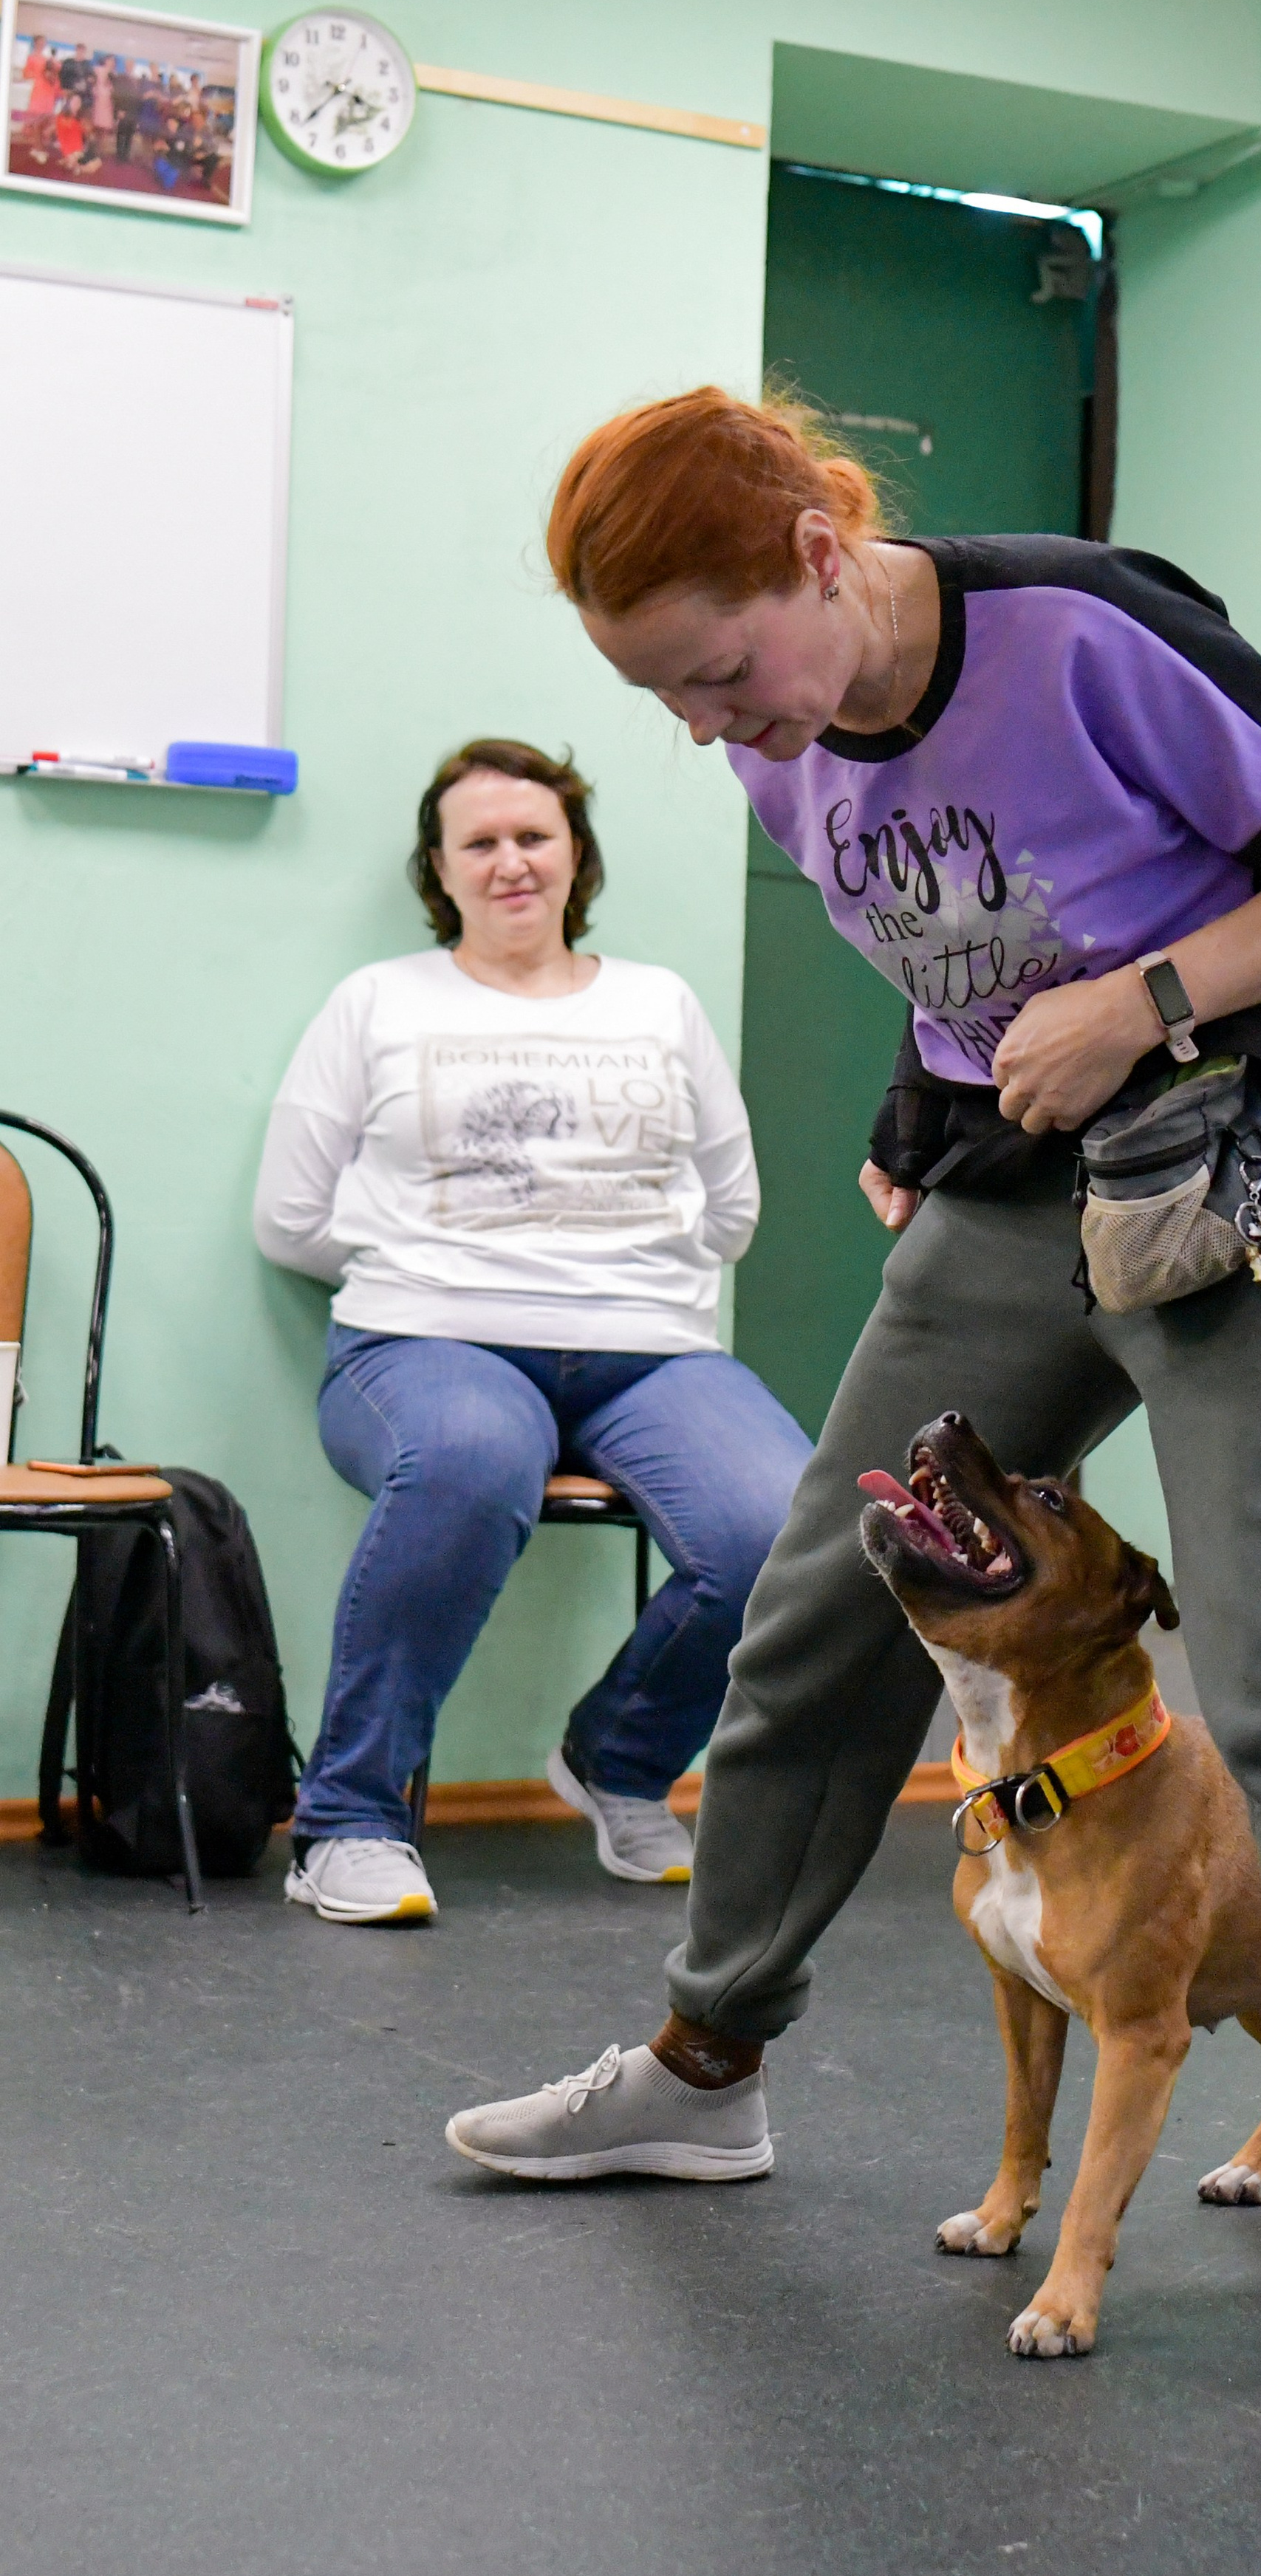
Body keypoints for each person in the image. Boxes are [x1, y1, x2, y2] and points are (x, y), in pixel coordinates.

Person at [444, 392, 1261, 2479]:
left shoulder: (1074, 633)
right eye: (664, 698)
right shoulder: (789, 745)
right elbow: (966, 958)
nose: (712, 730)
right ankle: (707, 2062)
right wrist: (925, 1112)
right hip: (1032, 1160)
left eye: (720, 671)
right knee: (828, 1596)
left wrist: (1145, 1001)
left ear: (818, 552)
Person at [253, 736, 811, 1928]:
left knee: (783, 1524)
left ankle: (618, 1759)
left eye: (533, 836)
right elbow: (288, 1218)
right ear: (440, 869)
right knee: (468, 1458)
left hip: (649, 1350)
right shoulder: (379, 1001)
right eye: (480, 842)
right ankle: (347, 1821)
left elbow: (733, 1209)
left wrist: (609, 1272)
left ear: (575, 855)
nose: (510, 860)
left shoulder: (660, 1002)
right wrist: (436, 1270)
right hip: (425, 1343)